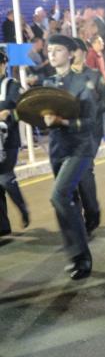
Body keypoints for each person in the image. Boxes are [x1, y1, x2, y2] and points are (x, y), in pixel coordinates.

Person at [41, 34, 99, 279]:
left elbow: (89, 121)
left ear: (70, 53)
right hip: (58, 148)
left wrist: (62, 121)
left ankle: (83, 256)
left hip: (80, 148)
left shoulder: (85, 81)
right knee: (66, 201)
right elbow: (42, 118)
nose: (52, 54)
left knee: (59, 195)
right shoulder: (48, 83)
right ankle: (76, 255)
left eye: (57, 50)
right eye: (49, 50)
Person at [71, 37, 105, 234]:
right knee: (69, 175)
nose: (71, 54)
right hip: (69, 132)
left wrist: (88, 109)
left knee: (84, 171)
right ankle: (75, 218)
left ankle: (92, 213)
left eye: (74, 50)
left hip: (90, 130)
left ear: (83, 53)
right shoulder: (63, 78)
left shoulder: (94, 76)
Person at [0, 51, 29, 236]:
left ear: (3, 64)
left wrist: (9, 114)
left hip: (8, 141)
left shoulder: (11, 85)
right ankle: (3, 227)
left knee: (5, 178)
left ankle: (22, 208)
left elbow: (23, 109)